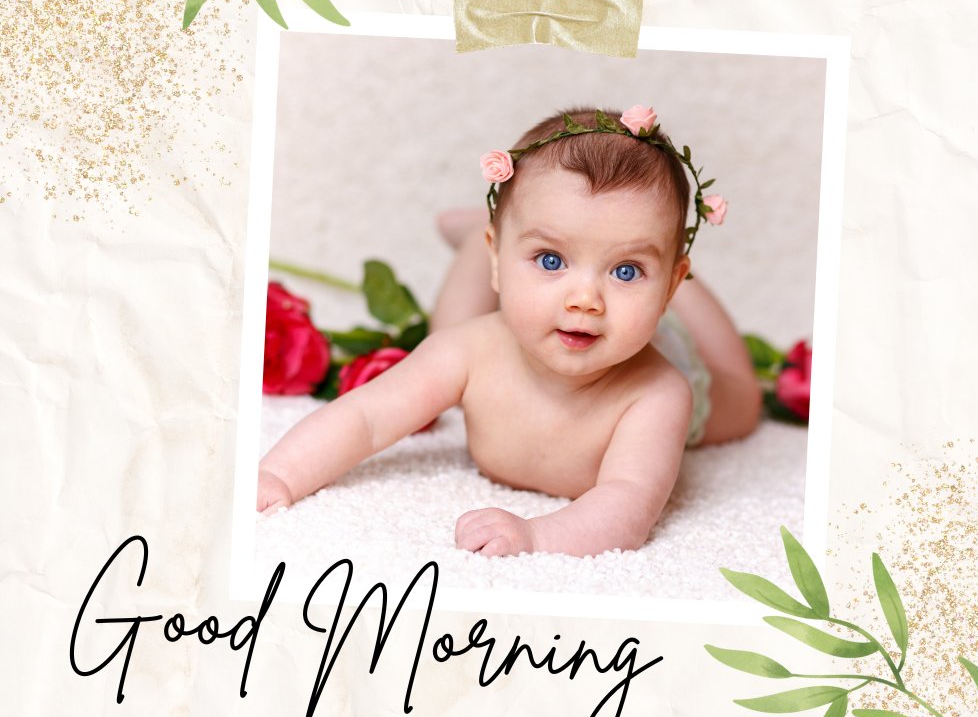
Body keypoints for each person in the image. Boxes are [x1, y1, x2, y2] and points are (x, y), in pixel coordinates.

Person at [257, 106, 761, 557]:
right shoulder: (472, 350)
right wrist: (280, 473)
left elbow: (627, 503)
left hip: (663, 345)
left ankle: (674, 281)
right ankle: (487, 241)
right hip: (503, 310)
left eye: (627, 270)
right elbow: (367, 416)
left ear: (668, 285)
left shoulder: (658, 394)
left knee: (741, 403)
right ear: (500, 262)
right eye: (550, 259)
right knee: (448, 328)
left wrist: (538, 536)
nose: (585, 298)